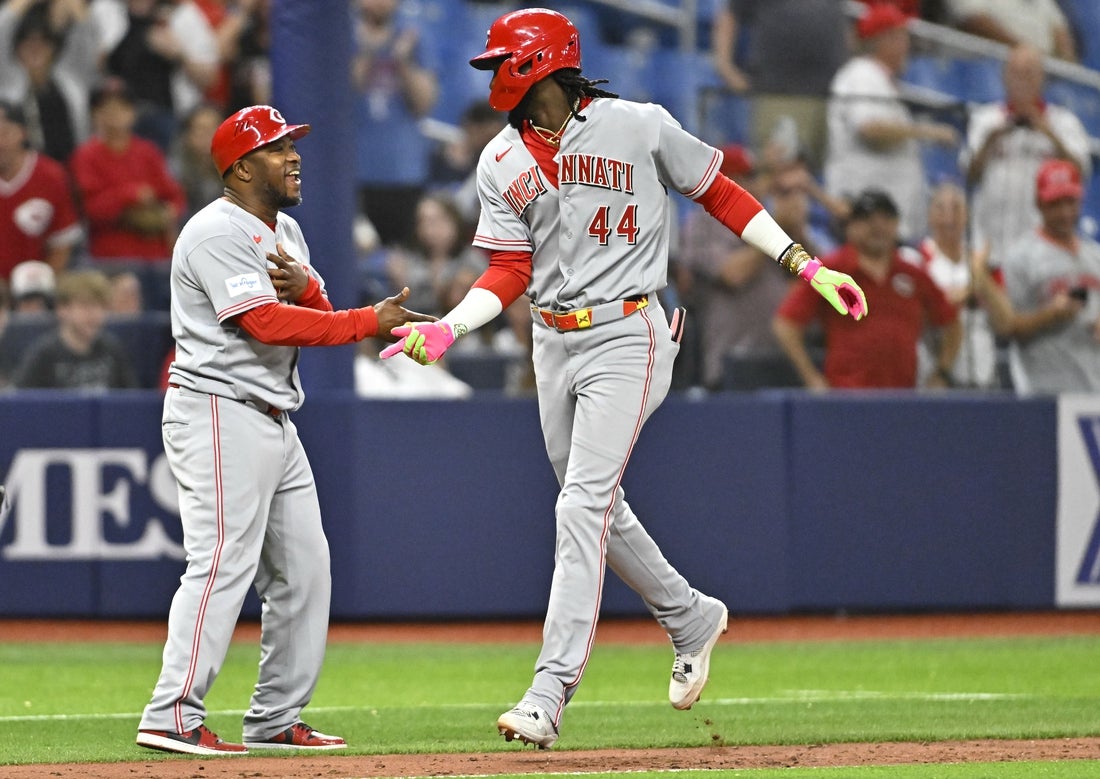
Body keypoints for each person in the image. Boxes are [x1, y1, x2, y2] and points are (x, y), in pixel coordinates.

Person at [381, 8, 867, 749]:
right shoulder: (499, 159)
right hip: (552, 341)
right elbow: (508, 269)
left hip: (627, 330)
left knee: (581, 506)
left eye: (502, 61)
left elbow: (721, 191)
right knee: (595, 503)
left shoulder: (637, 125)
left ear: (540, 62)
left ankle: (548, 693)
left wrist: (806, 264)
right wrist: (450, 327)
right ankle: (689, 614)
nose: (492, 74)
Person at [135, 104, 433, 755]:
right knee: (221, 561)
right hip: (218, 407)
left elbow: (314, 313)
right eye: (276, 147)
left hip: (273, 414)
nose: (293, 155)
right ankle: (170, 713)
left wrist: (316, 293)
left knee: (305, 569)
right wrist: (365, 320)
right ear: (241, 168)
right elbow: (264, 324)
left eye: (291, 143)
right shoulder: (214, 231)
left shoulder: (287, 232)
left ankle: (275, 714)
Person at [773, 188, 959, 390]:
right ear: (851, 226)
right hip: (847, 394)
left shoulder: (912, 274)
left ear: (896, 225)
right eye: (868, 220)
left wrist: (942, 373)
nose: (878, 227)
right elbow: (786, 324)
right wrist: (811, 378)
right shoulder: (831, 270)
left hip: (903, 395)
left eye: (886, 219)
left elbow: (951, 322)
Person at [823, 3, 958, 243]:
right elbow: (869, 128)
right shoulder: (862, 73)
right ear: (885, 40)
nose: (907, 46)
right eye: (902, 37)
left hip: (882, 220)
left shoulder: (880, 79)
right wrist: (929, 132)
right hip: (864, 216)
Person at [971, 159, 1100, 393]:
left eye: (1070, 202)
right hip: (1044, 387)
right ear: (1039, 203)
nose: (1065, 212)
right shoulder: (1021, 257)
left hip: (1094, 387)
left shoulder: (1095, 255)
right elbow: (1007, 326)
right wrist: (1050, 315)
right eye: (1055, 204)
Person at [962, 43, 1091, 262]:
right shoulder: (985, 119)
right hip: (990, 248)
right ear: (1004, 77)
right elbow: (968, 175)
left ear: (1042, 78)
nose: (1022, 81)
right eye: (1016, 73)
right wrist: (992, 139)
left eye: (1029, 73)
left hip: (1043, 253)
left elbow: (1081, 173)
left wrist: (1049, 135)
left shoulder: (1063, 122)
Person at [709, 0, 850, 173]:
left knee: (829, 173)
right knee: (777, 171)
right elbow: (729, 16)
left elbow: (847, 22)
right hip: (778, 95)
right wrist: (725, 67)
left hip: (832, 96)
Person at [70, 77, 188, 263]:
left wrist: (166, 214)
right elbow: (90, 209)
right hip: (111, 259)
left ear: (133, 112)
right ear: (94, 115)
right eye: (106, 108)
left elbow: (176, 197)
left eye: (122, 107)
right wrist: (130, 195)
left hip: (156, 256)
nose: (115, 113)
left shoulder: (148, 151)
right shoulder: (86, 156)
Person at [351, 0, 440, 248]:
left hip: (404, 172)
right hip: (356, 172)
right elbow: (341, 95)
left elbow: (424, 103)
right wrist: (369, 49)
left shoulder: (412, 34)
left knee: (402, 255)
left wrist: (403, 62)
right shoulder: (344, 32)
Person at [90, 0, 220, 149]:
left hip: (166, 116)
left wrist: (179, 55)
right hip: (116, 117)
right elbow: (87, 68)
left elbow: (209, 78)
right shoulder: (106, 10)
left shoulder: (182, 15)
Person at [916, 182, 999, 389]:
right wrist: (972, 286)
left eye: (956, 209)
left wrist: (981, 279)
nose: (949, 217)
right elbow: (930, 308)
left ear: (967, 216)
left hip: (983, 374)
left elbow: (1005, 319)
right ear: (929, 216)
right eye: (941, 209)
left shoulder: (981, 261)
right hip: (936, 374)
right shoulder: (917, 259)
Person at [0, 0, 98, 162]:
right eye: (27, 43)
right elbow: (2, 30)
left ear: (53, 48)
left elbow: (87, 36)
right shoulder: (7, 81)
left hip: (73, 164)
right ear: (16, 49)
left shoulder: (71, 77)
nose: (35, 48)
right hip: (29, 169)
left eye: (43, 42)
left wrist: (73, 4)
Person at [11, 267, 138, 389]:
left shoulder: (112, 349)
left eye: (101, 306)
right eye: (85, 306)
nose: (95, 314)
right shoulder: (43, 354)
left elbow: (131, 397)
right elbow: (19, 398)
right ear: (63, 310)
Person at [0, 100, 82, 280]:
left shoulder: (50, 176)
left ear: (23, 133)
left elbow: (62, 242)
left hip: (38, 285)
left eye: (5, 132)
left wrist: (41, 285)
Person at [943, 0, 1078, 62]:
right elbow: (973, 20)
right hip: (988, 63)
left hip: (1043, 71)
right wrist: (1025, 53)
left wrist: (1066, 62)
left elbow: (1059, 29)